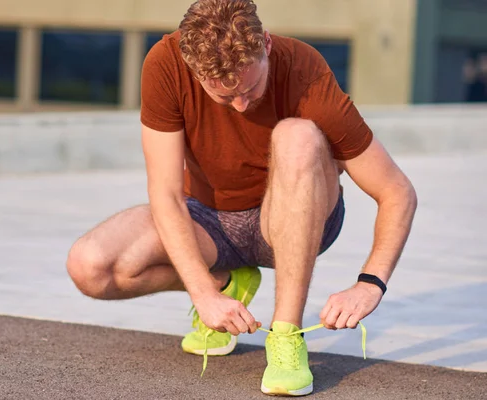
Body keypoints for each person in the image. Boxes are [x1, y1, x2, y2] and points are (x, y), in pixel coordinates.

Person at [66, 0, 417, 396]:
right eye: (223, 96)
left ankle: (286, 335)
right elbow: (164, 193)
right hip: (210, 220)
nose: (241, 105)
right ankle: (228, 282)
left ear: (265, 44)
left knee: (296, 135)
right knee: (89, 266)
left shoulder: (305, 71)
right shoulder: (165, 64)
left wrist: (370, 283)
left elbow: (397, 191)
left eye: (250, 88)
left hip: (295, 213)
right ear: (194, 70)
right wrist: (203, 293)